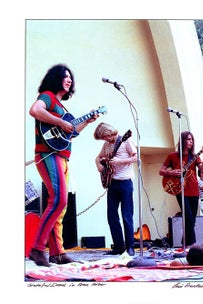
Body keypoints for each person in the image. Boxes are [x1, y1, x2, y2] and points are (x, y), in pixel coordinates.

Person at [28, 64, 99, 267]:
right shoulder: (48, 96)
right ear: (55, 78)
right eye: (65, 76)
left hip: (62, 157)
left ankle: (57, 252)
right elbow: (35, 110)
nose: (69, 80)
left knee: (61, 205)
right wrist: (60, 123)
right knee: (58, 201)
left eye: (71, 77)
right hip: (49, 154)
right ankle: (37, 248)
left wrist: (88, 121)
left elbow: (72, 132)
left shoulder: (62, 107)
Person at [94, 122, 137, 256]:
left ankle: (130, 246)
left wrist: (120, 162)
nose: (105, 140)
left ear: (108, 133)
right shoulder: (106, 145)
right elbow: (98, 157)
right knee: (112, 215)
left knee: (126, 215)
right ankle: (118, 246)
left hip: (125, 183)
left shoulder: (126, 140)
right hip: (112, 183)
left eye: (104, 137)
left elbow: (136, 157)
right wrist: (99, 166)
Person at [159, 131, 203, 247]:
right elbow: (161, 171)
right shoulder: (173, 156)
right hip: (180, 190)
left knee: (191, 220)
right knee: (189, 218)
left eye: (192, 139)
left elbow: (202, 171)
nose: (191, 141)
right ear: (182, 141)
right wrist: (172, 171)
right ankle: (192, 245)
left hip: (194, 191)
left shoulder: (195, 157)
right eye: (188, 139)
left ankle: (184, 244)